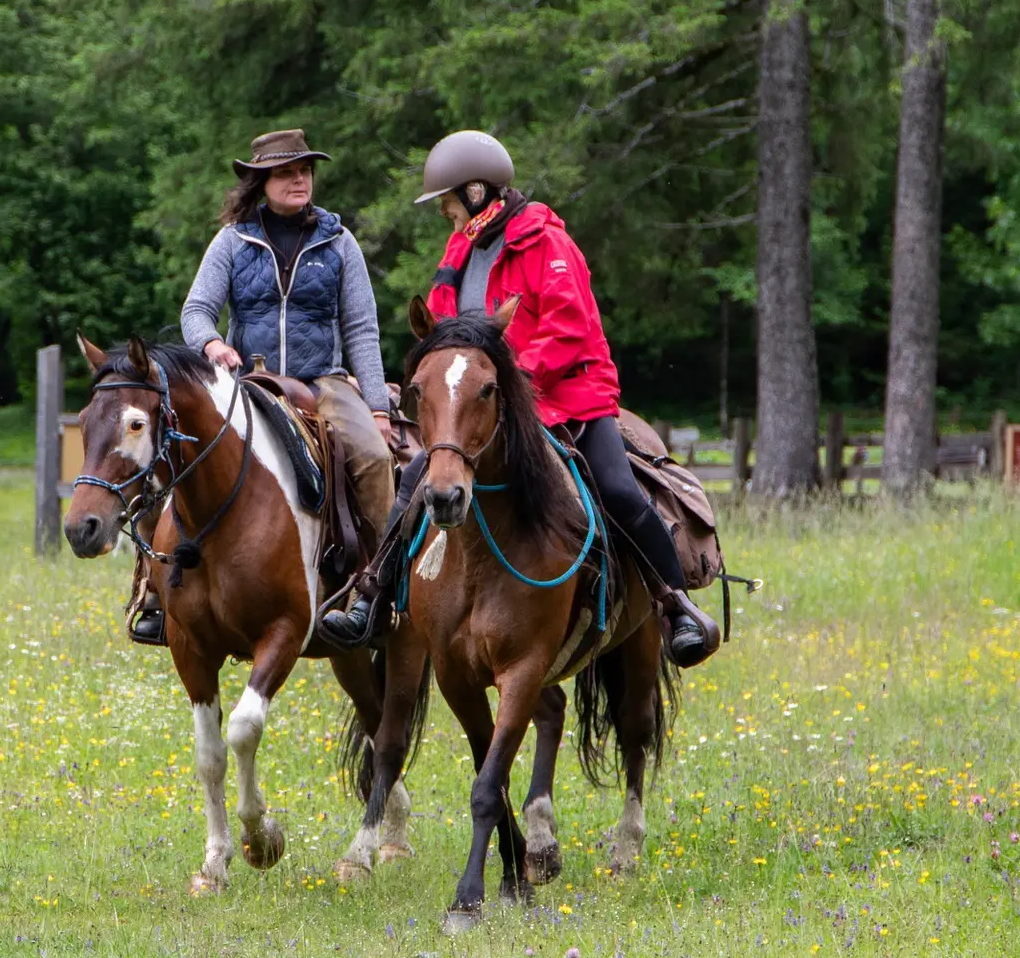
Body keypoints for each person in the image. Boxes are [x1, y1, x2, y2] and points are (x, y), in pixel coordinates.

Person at [320, 130, 718, 668]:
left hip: (571, 397)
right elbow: (445, 324)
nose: (446, 214)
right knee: (414, 481)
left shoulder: (549, 244)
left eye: (450, 201)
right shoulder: (459, 249)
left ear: (478, 192)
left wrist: (510, 378)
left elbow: (569, 328)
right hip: (487, 407)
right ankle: (374, 597)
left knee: (618, 488)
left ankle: (675, 607)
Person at [162, 129, 396, 646]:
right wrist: (212, 346)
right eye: (287, 172)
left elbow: (361, 329)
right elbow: (196, 310)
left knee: (377, 459)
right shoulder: (232, 240)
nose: (300, 180)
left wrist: (377, 406)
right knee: (182, 451)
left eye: (305, 170)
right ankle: (158, 588)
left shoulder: (339, 241)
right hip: (252, 382)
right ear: (261, 181)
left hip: (324, 382)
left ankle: (377, 587)